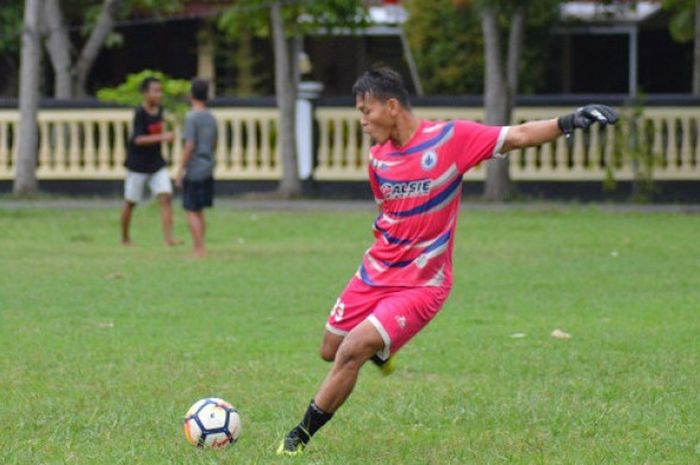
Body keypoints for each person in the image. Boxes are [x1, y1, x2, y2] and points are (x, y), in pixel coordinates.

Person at [276, 67, 619, 456]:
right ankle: (382, 350)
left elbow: (518, 135)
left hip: (423, 283)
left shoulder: (451, 139)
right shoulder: (377, 159)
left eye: (366, 111)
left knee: (353, 349)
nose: (363, 121)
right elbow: (387, 212)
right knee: (329, 349)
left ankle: (296, 440)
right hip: (375, 271)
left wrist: (570, 120)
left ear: (391, 106)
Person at [120, 76, 180, 246]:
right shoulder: (140, 113)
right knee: (131, 202)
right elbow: (137, 139)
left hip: (156, 163)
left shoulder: (160, 111)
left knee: (166, 197)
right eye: (155, 91)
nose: (159, 94)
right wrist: (162, 137)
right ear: (145, 93)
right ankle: (125, 237)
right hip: (137, 165)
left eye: (160, 91)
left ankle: (169, 238)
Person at [175, 78, 218, 258]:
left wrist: (180, 170)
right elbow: (215, 142)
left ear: (191, 94)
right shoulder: (210, 116)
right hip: (208, 164)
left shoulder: (191, 117)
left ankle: (199, 248)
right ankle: (200, 246)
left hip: (194, 167)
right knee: (199, 209)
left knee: (191, 208)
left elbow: (189, 145)